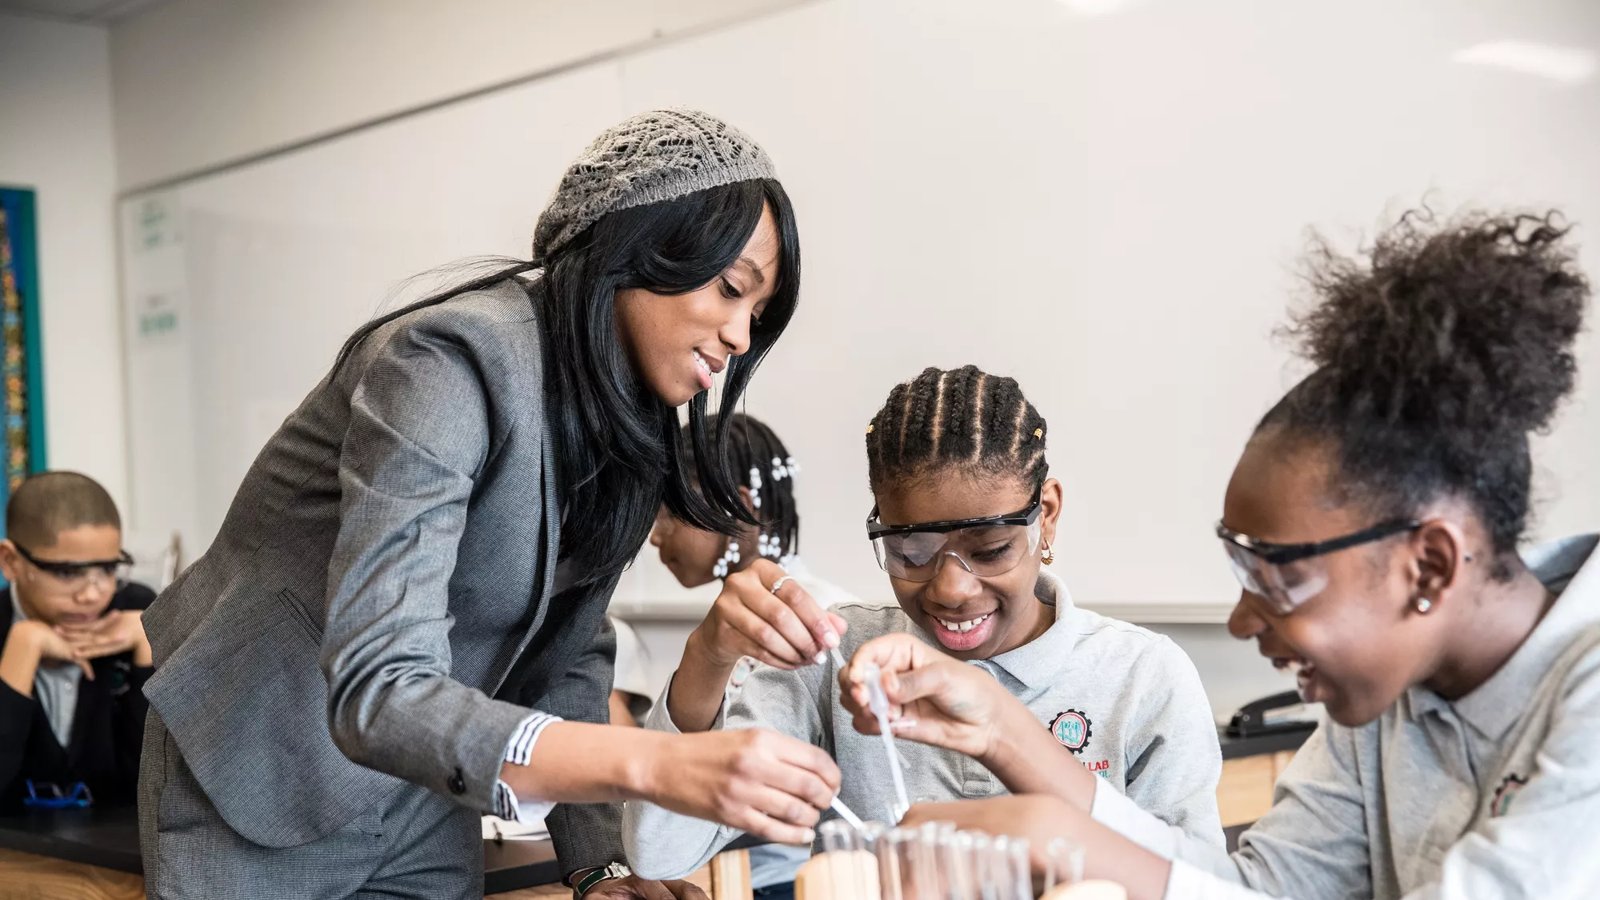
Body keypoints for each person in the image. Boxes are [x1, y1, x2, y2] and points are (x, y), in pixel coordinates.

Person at [136, 109, 840, 899]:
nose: (742, 335)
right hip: (261, 766)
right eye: (731, 288)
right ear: (637, 248)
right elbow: (378, 686)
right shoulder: (446, 361)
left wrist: (598, 863)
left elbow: (567, 654)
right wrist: (660, 762)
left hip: (427, 783)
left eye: (758, 310)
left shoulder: (628, 412)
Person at [848, 211, 1599, 900]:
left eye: (1274, 576)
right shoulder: (1385, 701)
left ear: (1428, 566)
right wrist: (1004, 734)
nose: (1242, 620)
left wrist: (1070, 840)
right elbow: (1261, 893)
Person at [626, 366, 1223, 894]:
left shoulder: (1141, 678)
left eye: (990, 550)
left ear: (1048, 515)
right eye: (910, 551)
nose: (951, 588)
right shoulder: (834, 662)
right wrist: (708, 655)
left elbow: (1204, 888)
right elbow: (661, 852)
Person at [640, 412, 858, 898]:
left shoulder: (819, 623)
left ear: (737, 509)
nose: (655, 536)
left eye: (668, 513)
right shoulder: (721, 632)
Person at [0, 472, 155, 812]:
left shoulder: (137, 610)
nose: (92, 594)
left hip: (113, 855)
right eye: (67, 573)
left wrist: (149, 648)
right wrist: (22, 648)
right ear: (10, 561)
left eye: (108, 569)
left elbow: (157, 786)